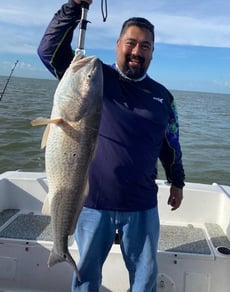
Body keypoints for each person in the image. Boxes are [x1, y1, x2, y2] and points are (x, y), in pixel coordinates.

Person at [38, 0, 185, 291]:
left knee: (144, 281)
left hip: (142, 206)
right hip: (93, 204)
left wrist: (177, 181)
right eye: (131, 43)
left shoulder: (163, 97)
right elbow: (48, 51)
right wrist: (72, 8)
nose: (137, 51)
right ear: (118, 44)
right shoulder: (93, 78)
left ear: (153, 52)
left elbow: (171, 145)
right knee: (86, 279)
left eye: (145, 46)